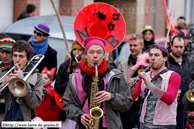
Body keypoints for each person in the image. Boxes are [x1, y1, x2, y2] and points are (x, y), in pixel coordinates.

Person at [63, 37, 133, 129]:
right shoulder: (74, 77)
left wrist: (111, 97)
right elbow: (67, 104)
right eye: (91, 52)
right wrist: (79, 116)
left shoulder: (116, 75)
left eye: (99, 52)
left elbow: (127, 103)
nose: (95, 56)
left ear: (104, 55)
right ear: (86, 55)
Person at [132, 44, 181, 128]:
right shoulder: (143, 77)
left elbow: (170, 99)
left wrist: (149, 84)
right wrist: (129, 89)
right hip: (144, 124)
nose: (152, 58)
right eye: (151, 55)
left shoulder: (173, 76)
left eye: (156, 55)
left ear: (165, 58)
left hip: (164, 125)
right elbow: (131, 99)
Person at [0, 40, 43, 126]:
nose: (17, 59)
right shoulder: (2, 73)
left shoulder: (37, 77)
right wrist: (3, 85)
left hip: (23, 123)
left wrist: (24, 81)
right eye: (15, 55)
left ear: (29, 59)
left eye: (21, 56)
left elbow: (34, 104)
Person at [55, 39, 84, 128]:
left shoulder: (87, 66)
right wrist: (69, 84)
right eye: (74, 49)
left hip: (83, 107)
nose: (76, 52)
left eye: (79, 49)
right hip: (67, 108)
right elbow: (57, 87)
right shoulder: (64, 66)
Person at [168, 36, 194, 129]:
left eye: (181, 47)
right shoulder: (165, 61)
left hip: (184, 105)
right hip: (168, 105)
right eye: (176, 46)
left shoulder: (190, 62)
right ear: (171, 46)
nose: (179, 49)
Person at [124, 53, 150, 129]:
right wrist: (129, 89)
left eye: (144, 67)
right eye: (140, 68)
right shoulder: (134, 80)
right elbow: (128, 99)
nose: (142, 70)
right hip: (132, 114)